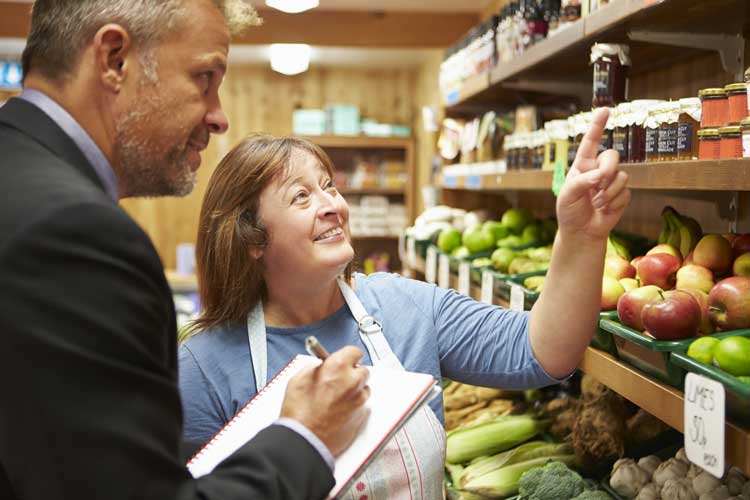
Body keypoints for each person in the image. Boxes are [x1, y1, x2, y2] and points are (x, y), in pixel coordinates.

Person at [0, 1, 371, 499]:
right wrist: (306, 437)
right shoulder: (74, 232)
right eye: (204, 79)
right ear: (114, 59)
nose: (219, 118)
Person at [178, 107, 631, 499]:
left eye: (328, 186)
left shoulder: (403, 306)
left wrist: (580, 236)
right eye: (301, 197)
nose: (333, 205)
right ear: (252, 238)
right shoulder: (203, 365)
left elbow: (543, 350)